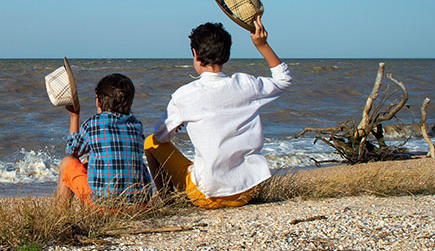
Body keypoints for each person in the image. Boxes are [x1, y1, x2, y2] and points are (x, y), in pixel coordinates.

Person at [146, 17, 291, 208]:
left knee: (150, 142)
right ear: (226, 55)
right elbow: (284, 80)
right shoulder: (246, 84)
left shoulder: (184, 95)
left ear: (195, 54)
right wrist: (262, 45)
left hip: (205, 196)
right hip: (245, 192)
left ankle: (169, 202)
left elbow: (161, 136)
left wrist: (176, 125)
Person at [57, 73, 154, 205]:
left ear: (98, 101)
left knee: (67, 161)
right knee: (90, 159)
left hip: (102, 206)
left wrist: (74, 117)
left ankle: (61, 214)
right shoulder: (137, 125)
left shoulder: (93, 123)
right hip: (139, 205)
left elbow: (73, 151)